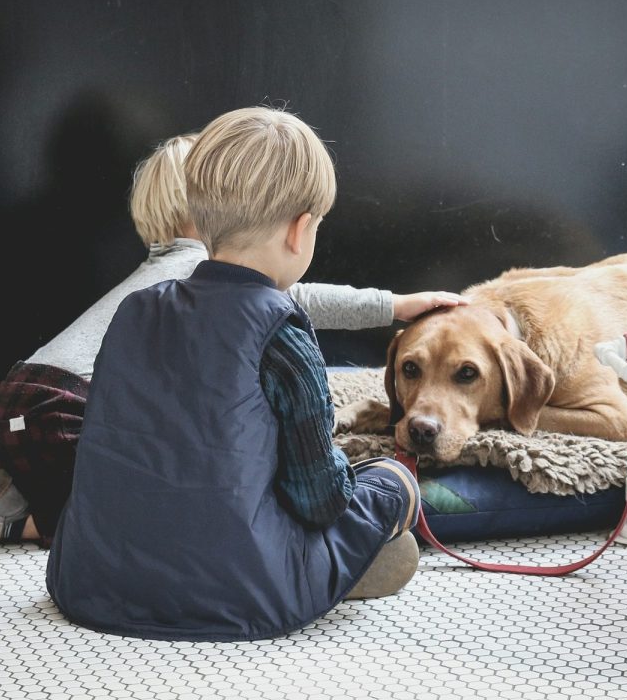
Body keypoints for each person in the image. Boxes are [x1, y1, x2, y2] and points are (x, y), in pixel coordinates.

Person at [0, 124, 464, 549]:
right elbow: (295, 298)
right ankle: (8, 520)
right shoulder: (198, 272)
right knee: (122, 512)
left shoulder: (159, 278)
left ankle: (0, 484)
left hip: (26, 398)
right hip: (58, 405)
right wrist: (393, 305)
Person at [45, 106, 424, 641]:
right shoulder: (281, 330)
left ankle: (317, 564)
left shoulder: (135, 310)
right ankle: (336, 563)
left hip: (92, 578)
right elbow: (320, 499)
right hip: (239, 589)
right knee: (389, 481)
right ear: (300, 230)